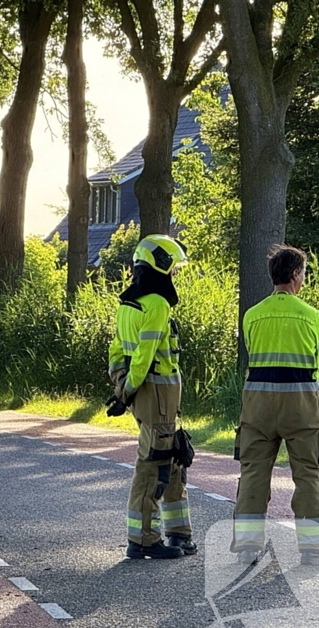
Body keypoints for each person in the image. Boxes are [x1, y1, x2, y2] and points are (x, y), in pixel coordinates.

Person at [230, 245, 319, 566]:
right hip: (301, 406)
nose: (304, 278)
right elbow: (317, 360)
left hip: (258, 405)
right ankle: (313, 550)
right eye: (304, 273)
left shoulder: (252, 315)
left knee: (253, 474)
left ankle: (247, 547)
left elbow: (254, 351)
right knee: (307, 475)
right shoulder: (313, 316)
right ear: (295, 274)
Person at [107, 234, 195, 560]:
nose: (174, 276)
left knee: (172, 458)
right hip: (156, 391)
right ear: (160, 267)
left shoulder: (128, 305)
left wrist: (121, 389)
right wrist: (128, 390)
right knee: (153, 464)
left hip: (152, 392)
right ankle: (144, 539)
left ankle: (179, 535)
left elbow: (116, 350)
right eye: (172, 269)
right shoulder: (157, 304)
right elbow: (144, 357)